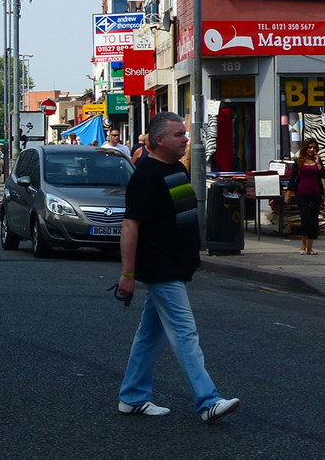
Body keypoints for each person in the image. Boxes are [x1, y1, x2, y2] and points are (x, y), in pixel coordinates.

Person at [117, 111, 240, 424]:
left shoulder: (175, 170)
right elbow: (130, 226)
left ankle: (132, 397)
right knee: (185, 334)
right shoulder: (146, 176)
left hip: (177, 266)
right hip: (161, 268)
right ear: (160, 140)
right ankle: (208, 401)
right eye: (178, 135)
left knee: (150, 335)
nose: (186, 139)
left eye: (185, 134)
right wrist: (127, 274)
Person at [285, 138, 325, 255]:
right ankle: (303, 245)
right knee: (305, 218)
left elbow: (323, 175)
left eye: (313, 148)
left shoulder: (318, 160)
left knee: (313, 220)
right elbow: (293, 178)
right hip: (302, 193)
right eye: (309, 148)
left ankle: (310, 247)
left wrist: (318, 163)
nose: (311, 150)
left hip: (316, 193)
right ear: (305, 148)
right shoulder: (299, 161)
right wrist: (288, 193)